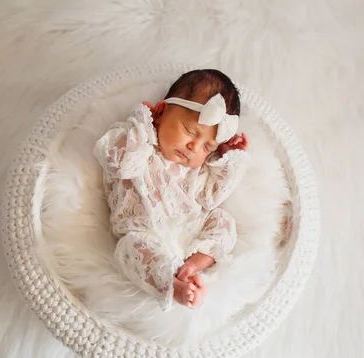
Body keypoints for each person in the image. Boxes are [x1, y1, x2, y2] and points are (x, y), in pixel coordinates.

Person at [93, 69, 250, 310]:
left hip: (189, 227)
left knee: (223, 220)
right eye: (189, 131)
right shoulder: (141, 144)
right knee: (129, 250)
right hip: (144, 233)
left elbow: (211, 198)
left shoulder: (197, 169)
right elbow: (118, 164)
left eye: (207, 147)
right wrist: (142, 124)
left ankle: (194, 264)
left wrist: (229, 159)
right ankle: (171, 284)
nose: (193, 147)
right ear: (162, 112)